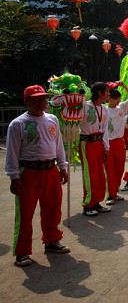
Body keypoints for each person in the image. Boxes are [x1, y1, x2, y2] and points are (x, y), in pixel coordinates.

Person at [5, 85, 70, 267]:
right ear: (27, 101)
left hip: (50, 170)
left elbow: (58, 145)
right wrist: (14, 177)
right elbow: (12, 153)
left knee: (53, 208)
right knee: (25, 213)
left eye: (44, 98)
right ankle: (22, 251)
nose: (42, 102)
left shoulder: (52, 119)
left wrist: (62, 167)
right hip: (29, 172)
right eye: (36, 99)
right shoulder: (18, 124)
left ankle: (52, 240)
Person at [79, 82, 111, 217]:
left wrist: (106, 147)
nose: (109, 94)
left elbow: (105, 130)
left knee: (100, 175)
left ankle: (96, 202)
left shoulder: (105, 109)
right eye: (107, 91)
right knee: (90, 175)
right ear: (99, 93)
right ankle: (88, 205)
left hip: (99, 143)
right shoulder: (85, 106)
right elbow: (75, 123)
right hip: (87, 142)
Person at [104, 82, 128, 205]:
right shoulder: (104, 110)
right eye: (116, 99)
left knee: (119, 169)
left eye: (119, 99)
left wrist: (124, 86)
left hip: (119, 143)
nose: (118, 101)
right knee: (109, 170)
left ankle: (115, 193)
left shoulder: (121, 107)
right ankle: (110, 195)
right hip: (107, 143)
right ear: (109, 98)